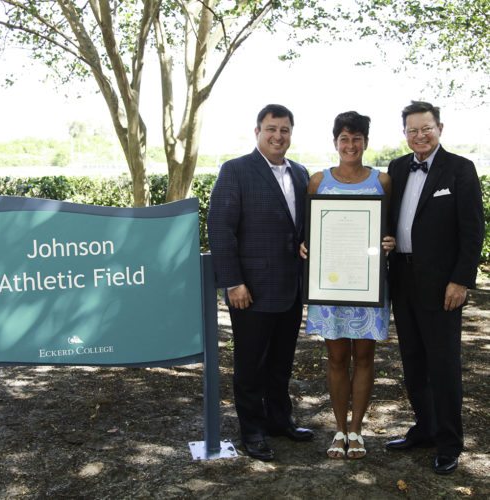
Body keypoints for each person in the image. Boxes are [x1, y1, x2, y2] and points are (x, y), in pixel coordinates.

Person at [207, 104, 313, 461]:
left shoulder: (301, 173)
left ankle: (279, 420)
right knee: (250, 365)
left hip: (291, 288)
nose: (278, 136)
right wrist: (233, 282)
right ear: (257, 132)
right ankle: (251, 431)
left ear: (290, 134)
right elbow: (220, 230)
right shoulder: (236, 171)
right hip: (250, 291)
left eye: (284, 130)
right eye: (271, 129)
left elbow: (305, 226)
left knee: (281, 362)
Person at [385, 101, 484, 475]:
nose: (420, 135)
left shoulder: (460, 169)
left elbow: (473, 231)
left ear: (439, 127)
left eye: (426, 128)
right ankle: (424, 428)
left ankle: (449, 442)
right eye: (412, 130)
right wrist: (386, 239)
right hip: (403, 279)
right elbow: (389, 220)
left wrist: (460, 280)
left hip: (443, 285)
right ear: (405, 133)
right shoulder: (396, 168)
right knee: (413, 362)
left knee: (443, 365)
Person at [300, 111, 395, 459]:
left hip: (368, 284)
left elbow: (391, 227)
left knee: (365, 356)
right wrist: (305, 244)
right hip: (330, 286)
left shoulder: (382, 181)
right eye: (344, 138)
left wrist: (390, 241)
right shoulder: (317, 181)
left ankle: (358, 431)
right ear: (335, 142)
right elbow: (308, 228)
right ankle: (339, 430)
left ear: (366, 142)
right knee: (337, 357)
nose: (350, 145)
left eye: (357, 138)